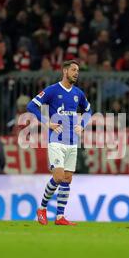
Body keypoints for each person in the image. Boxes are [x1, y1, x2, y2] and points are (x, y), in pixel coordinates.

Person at [26, 60, 92, 226]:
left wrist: (82, 125)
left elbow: (89, 110)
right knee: (58, 176)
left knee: (67, 179)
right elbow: (31, 106)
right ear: (64, 71)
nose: (76, 73)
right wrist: (46, 122)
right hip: (56, 141)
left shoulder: (78, 93)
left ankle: (60, 216)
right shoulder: (52, 90)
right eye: (73, 70)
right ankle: (42, 208)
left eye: (78, 70)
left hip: (72, 142)